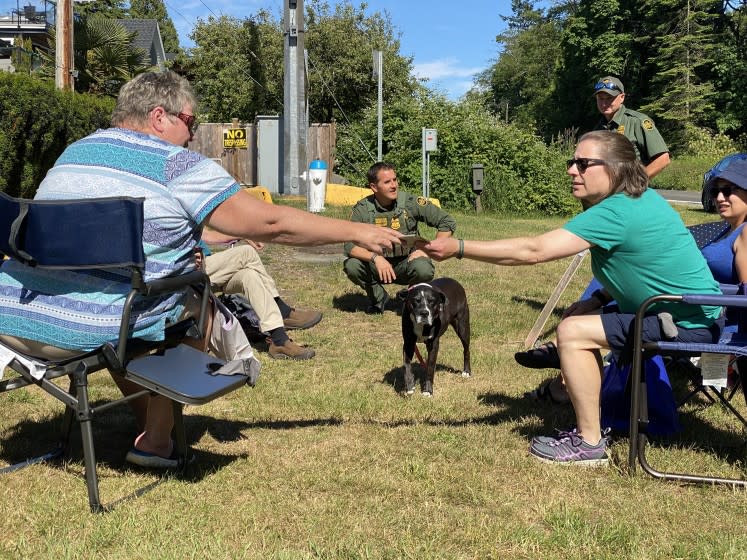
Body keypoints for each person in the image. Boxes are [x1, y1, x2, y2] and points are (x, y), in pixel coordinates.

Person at [0, 71, 402, 469]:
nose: (192, 135)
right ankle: (156, 442)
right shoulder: (176, 165)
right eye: (189, 122)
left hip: (15, 319)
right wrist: (355, 231)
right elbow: (270, 224)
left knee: (147, 297)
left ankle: (146, 422)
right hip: (95, 330)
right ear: (160, 117)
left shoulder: (75, 151)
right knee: (197, 299)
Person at [421, 131, 723, 466]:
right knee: (577, 321)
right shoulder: (642, 199)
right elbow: (649, 266)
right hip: (687, 312)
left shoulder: (616, 211)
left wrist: (459, 248)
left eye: (582, 163)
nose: (571, 170)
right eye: (571, 162)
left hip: (685, 324)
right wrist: (599, 298)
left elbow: (534, 251)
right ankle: (573, 393)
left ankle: (589, 444)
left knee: (572, 332)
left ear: (615, 168)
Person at [343, 162, 457, 314]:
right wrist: (375, 258)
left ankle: (410, 300)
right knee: (352, 265)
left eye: (395, 180)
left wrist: (427, 251)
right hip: (377, 266)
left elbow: (447, 222)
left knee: (423, 268)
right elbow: (348, 245)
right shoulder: (363, 210)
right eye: (387, 182)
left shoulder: (410, 203)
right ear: (374, 187)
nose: (394, 185)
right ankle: (379, 299)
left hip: (407, 263)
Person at [199, 229, 321, 360]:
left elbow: (205, 235)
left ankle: (278, 340)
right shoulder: (175, 211)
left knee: (249, 276)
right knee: (247, 252)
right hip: (188, 268)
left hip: (208, 269)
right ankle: (282, 310)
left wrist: (242, 233)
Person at [593, 76, 671, 178]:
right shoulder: (598, 129)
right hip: (607, 191)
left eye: (609, 98)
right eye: (600, 98)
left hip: (632, 192)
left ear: (622, 97)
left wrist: (637, 183)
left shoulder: (637, 122)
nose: (604, 103)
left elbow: (663, 159)